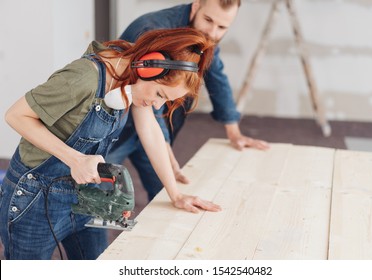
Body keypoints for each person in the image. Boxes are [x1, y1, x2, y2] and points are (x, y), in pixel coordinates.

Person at [0, 27, 221, 260]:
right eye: (160, 94)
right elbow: (16, 115)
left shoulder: (131, 79)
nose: (157, 105)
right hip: (35, 196)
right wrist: (75, 158)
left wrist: (175, 194)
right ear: (148, 66)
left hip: (84, 193)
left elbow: (150, 131)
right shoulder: (84, 77)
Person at [107, 0, 270, 201]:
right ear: (196, 7)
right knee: (94, 199)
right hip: (116, 124)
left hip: (149, 123)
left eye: (222, 27)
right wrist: (165, 147)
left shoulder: (204, 37)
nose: (212, 32)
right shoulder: (152, 31)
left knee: (164, 194)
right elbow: (151, 96)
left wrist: (233, 131)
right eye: (208, 20)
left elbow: (216, 75)